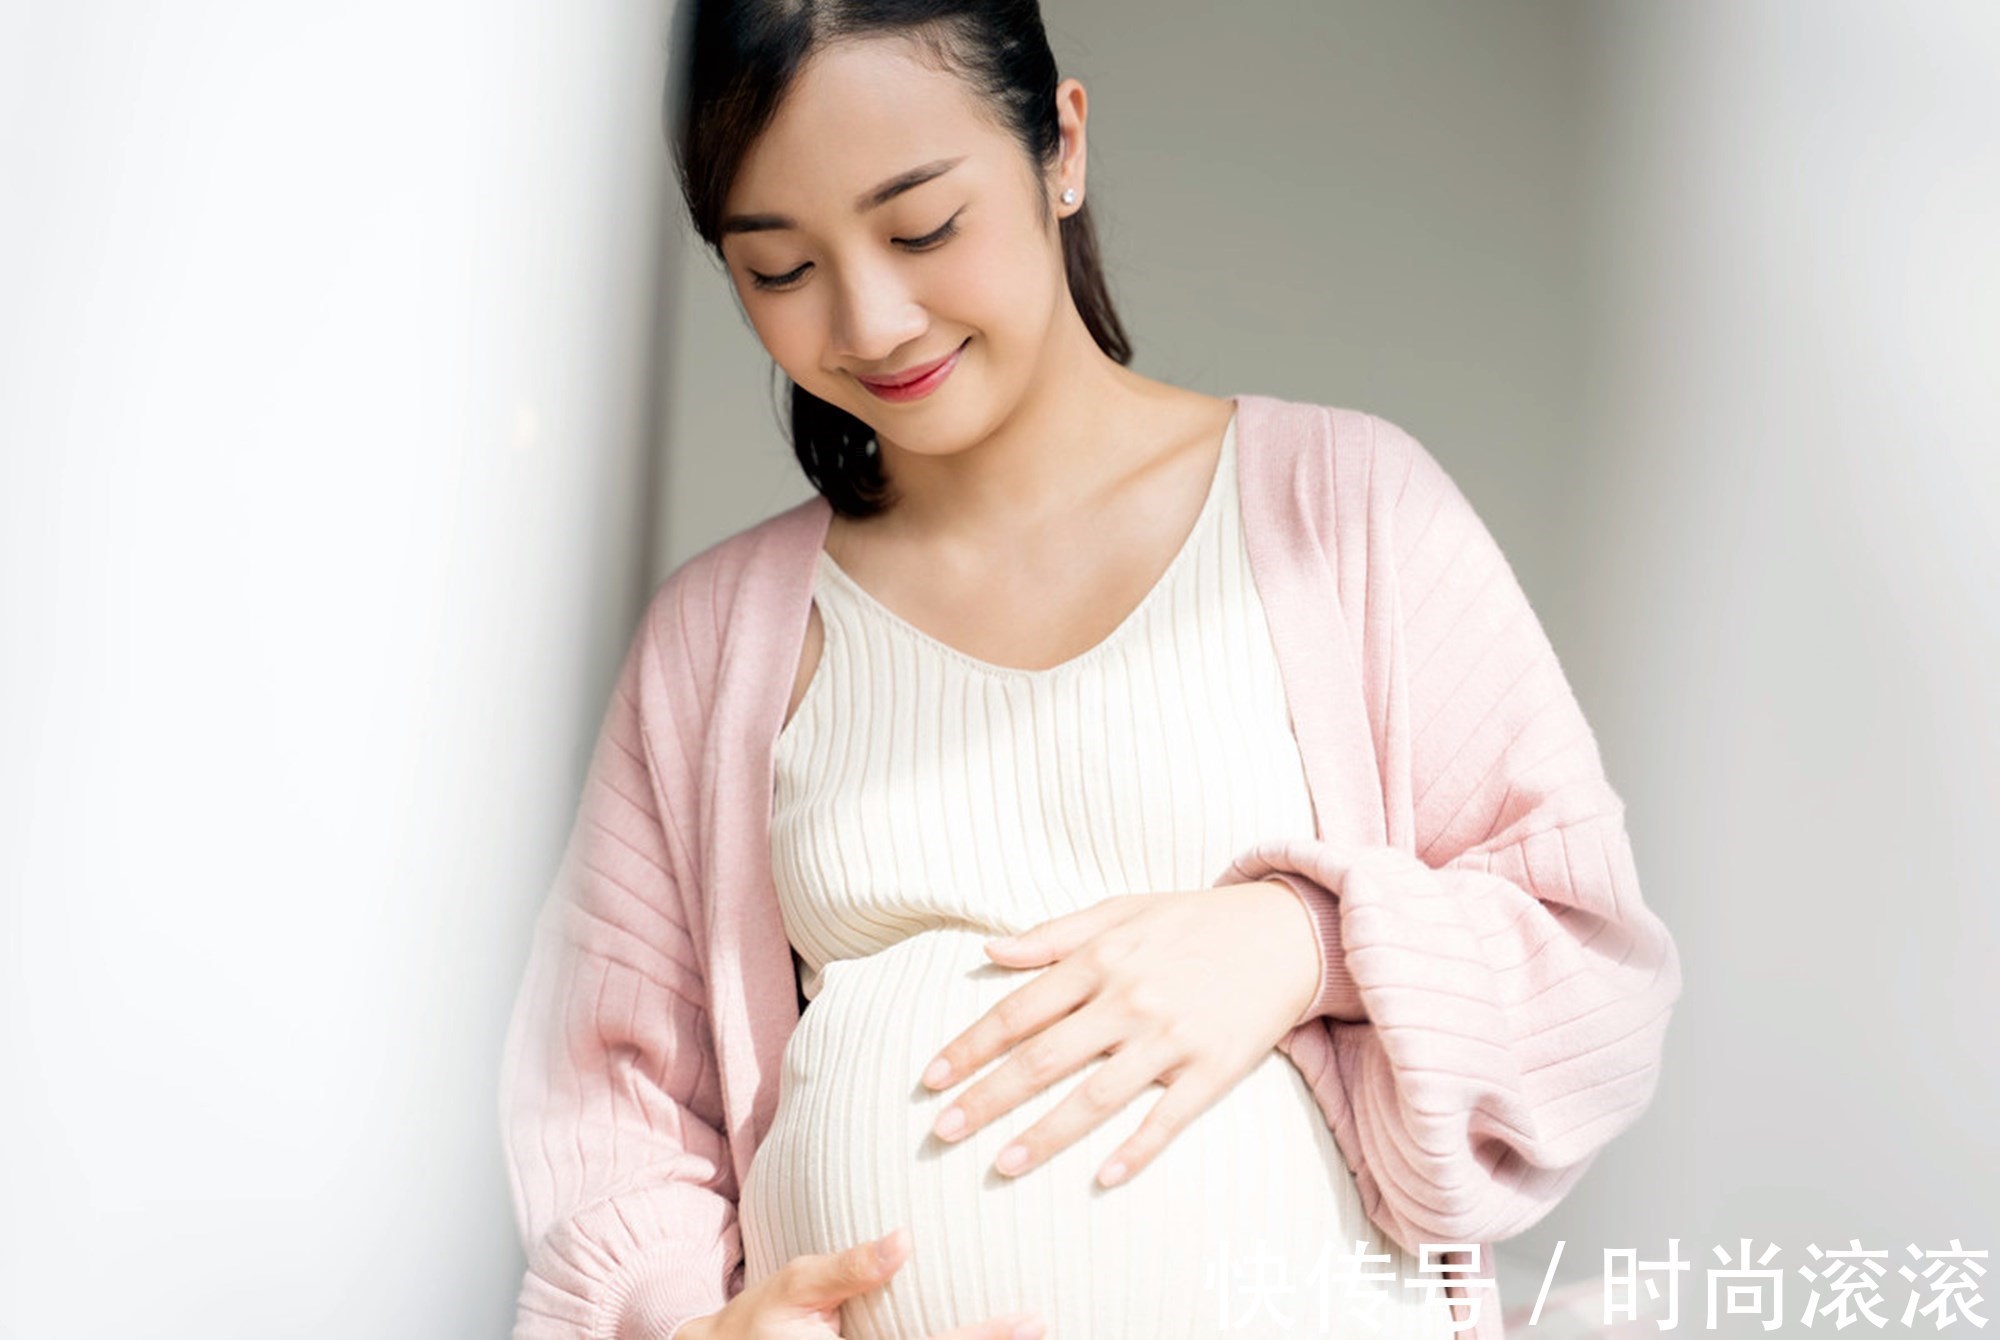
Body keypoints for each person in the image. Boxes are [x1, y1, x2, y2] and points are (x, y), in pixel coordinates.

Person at [497, 3, 1684, 1339]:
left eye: (923, 228)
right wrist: (702, 1331)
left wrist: (1306, 942)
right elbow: (616, 1122)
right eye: (779, 268)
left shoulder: (1349, 515)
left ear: (1061, 146)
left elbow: (1590, 970)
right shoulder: (715, 644)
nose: (872, 319)